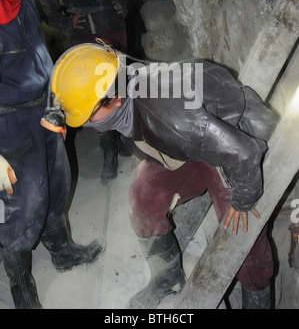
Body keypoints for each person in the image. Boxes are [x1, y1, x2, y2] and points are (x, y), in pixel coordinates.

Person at [43, 43, 279, 309]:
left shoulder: (169, 117)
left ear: (115, 98)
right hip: (193, 138)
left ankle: (258, 297)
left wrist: (244, 200)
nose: (86, 124)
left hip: (231, 139)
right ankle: (168, 275)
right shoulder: (122, 83)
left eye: (88, 117)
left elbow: (244, 152)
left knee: (241, 230)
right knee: (142, 198)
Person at [0, 0, 105, 310]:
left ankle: (62, 252)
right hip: (6, 126)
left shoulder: (21, 1)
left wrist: (56, 105)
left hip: (43, 110)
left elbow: (37, 49)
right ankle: (21, 288)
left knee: (58, 185)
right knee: (22, 206)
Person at [32, 0, 132, 180]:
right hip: (85, 39)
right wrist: (65, 22)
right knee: (95, 96)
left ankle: (125, 137)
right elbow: (45, 1)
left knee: (121, 88)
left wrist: (123, 5)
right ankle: (108, 149)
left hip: (114, 31)